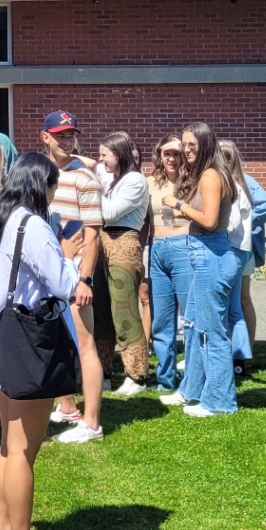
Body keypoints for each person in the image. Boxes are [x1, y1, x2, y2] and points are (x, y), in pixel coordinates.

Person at [0, 152, 79, 530]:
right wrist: (73, 256)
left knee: (7, 446)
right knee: (23, 451)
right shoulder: (32, 225)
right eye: (53, 185)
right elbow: (61, 283)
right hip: (28, 344)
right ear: (41, 186)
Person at [159, 122, 239, 417]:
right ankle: (191, 391)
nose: (185, 150)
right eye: (184, 144)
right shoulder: (205, 174)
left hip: (212, 255)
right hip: (204, 254)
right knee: (193, 326)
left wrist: (178, 203)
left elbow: (208, 220)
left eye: (191, 145)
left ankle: (219, 402)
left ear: (206, 144)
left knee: (211, 332)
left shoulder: (210, 175)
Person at [37, 111, 104, 443]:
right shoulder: (40, 173)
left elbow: (92, 235)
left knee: (84, 344)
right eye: (60, 135)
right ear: (45, 136)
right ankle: (67, 407)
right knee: (55, 341)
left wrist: (85, 279)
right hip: (47, 272)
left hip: (75, 272)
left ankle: (91, 424)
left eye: (70, 135)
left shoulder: (84, 179)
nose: (66, 140)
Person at [96, 132, 150, 396]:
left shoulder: (135, 180)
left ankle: (136, 375)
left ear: (118, 155)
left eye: (105, 154)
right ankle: (103, 372)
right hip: (104, 244)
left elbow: (108, 213)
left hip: (124, 243)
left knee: (124, 310)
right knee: (102, 312)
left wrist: (93, 187)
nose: (101, 159)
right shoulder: (114, 180)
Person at [219, 139, 266, 354]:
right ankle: (236, 349)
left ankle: (245, 348)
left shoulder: (245, 181)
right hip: (236, 249)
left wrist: (248, 223)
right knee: (238, 301)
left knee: (240, 300)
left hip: (238, 248)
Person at [147, 137, 191, 391]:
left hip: (185, 247)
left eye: (176, 153)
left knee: (190, 318)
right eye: (167, 154)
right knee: (162, 320)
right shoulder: (149, 183)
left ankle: (193, 376)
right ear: (159, 156)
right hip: (157, 250)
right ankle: (165, 379)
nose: (172, 158)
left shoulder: (192, 182)